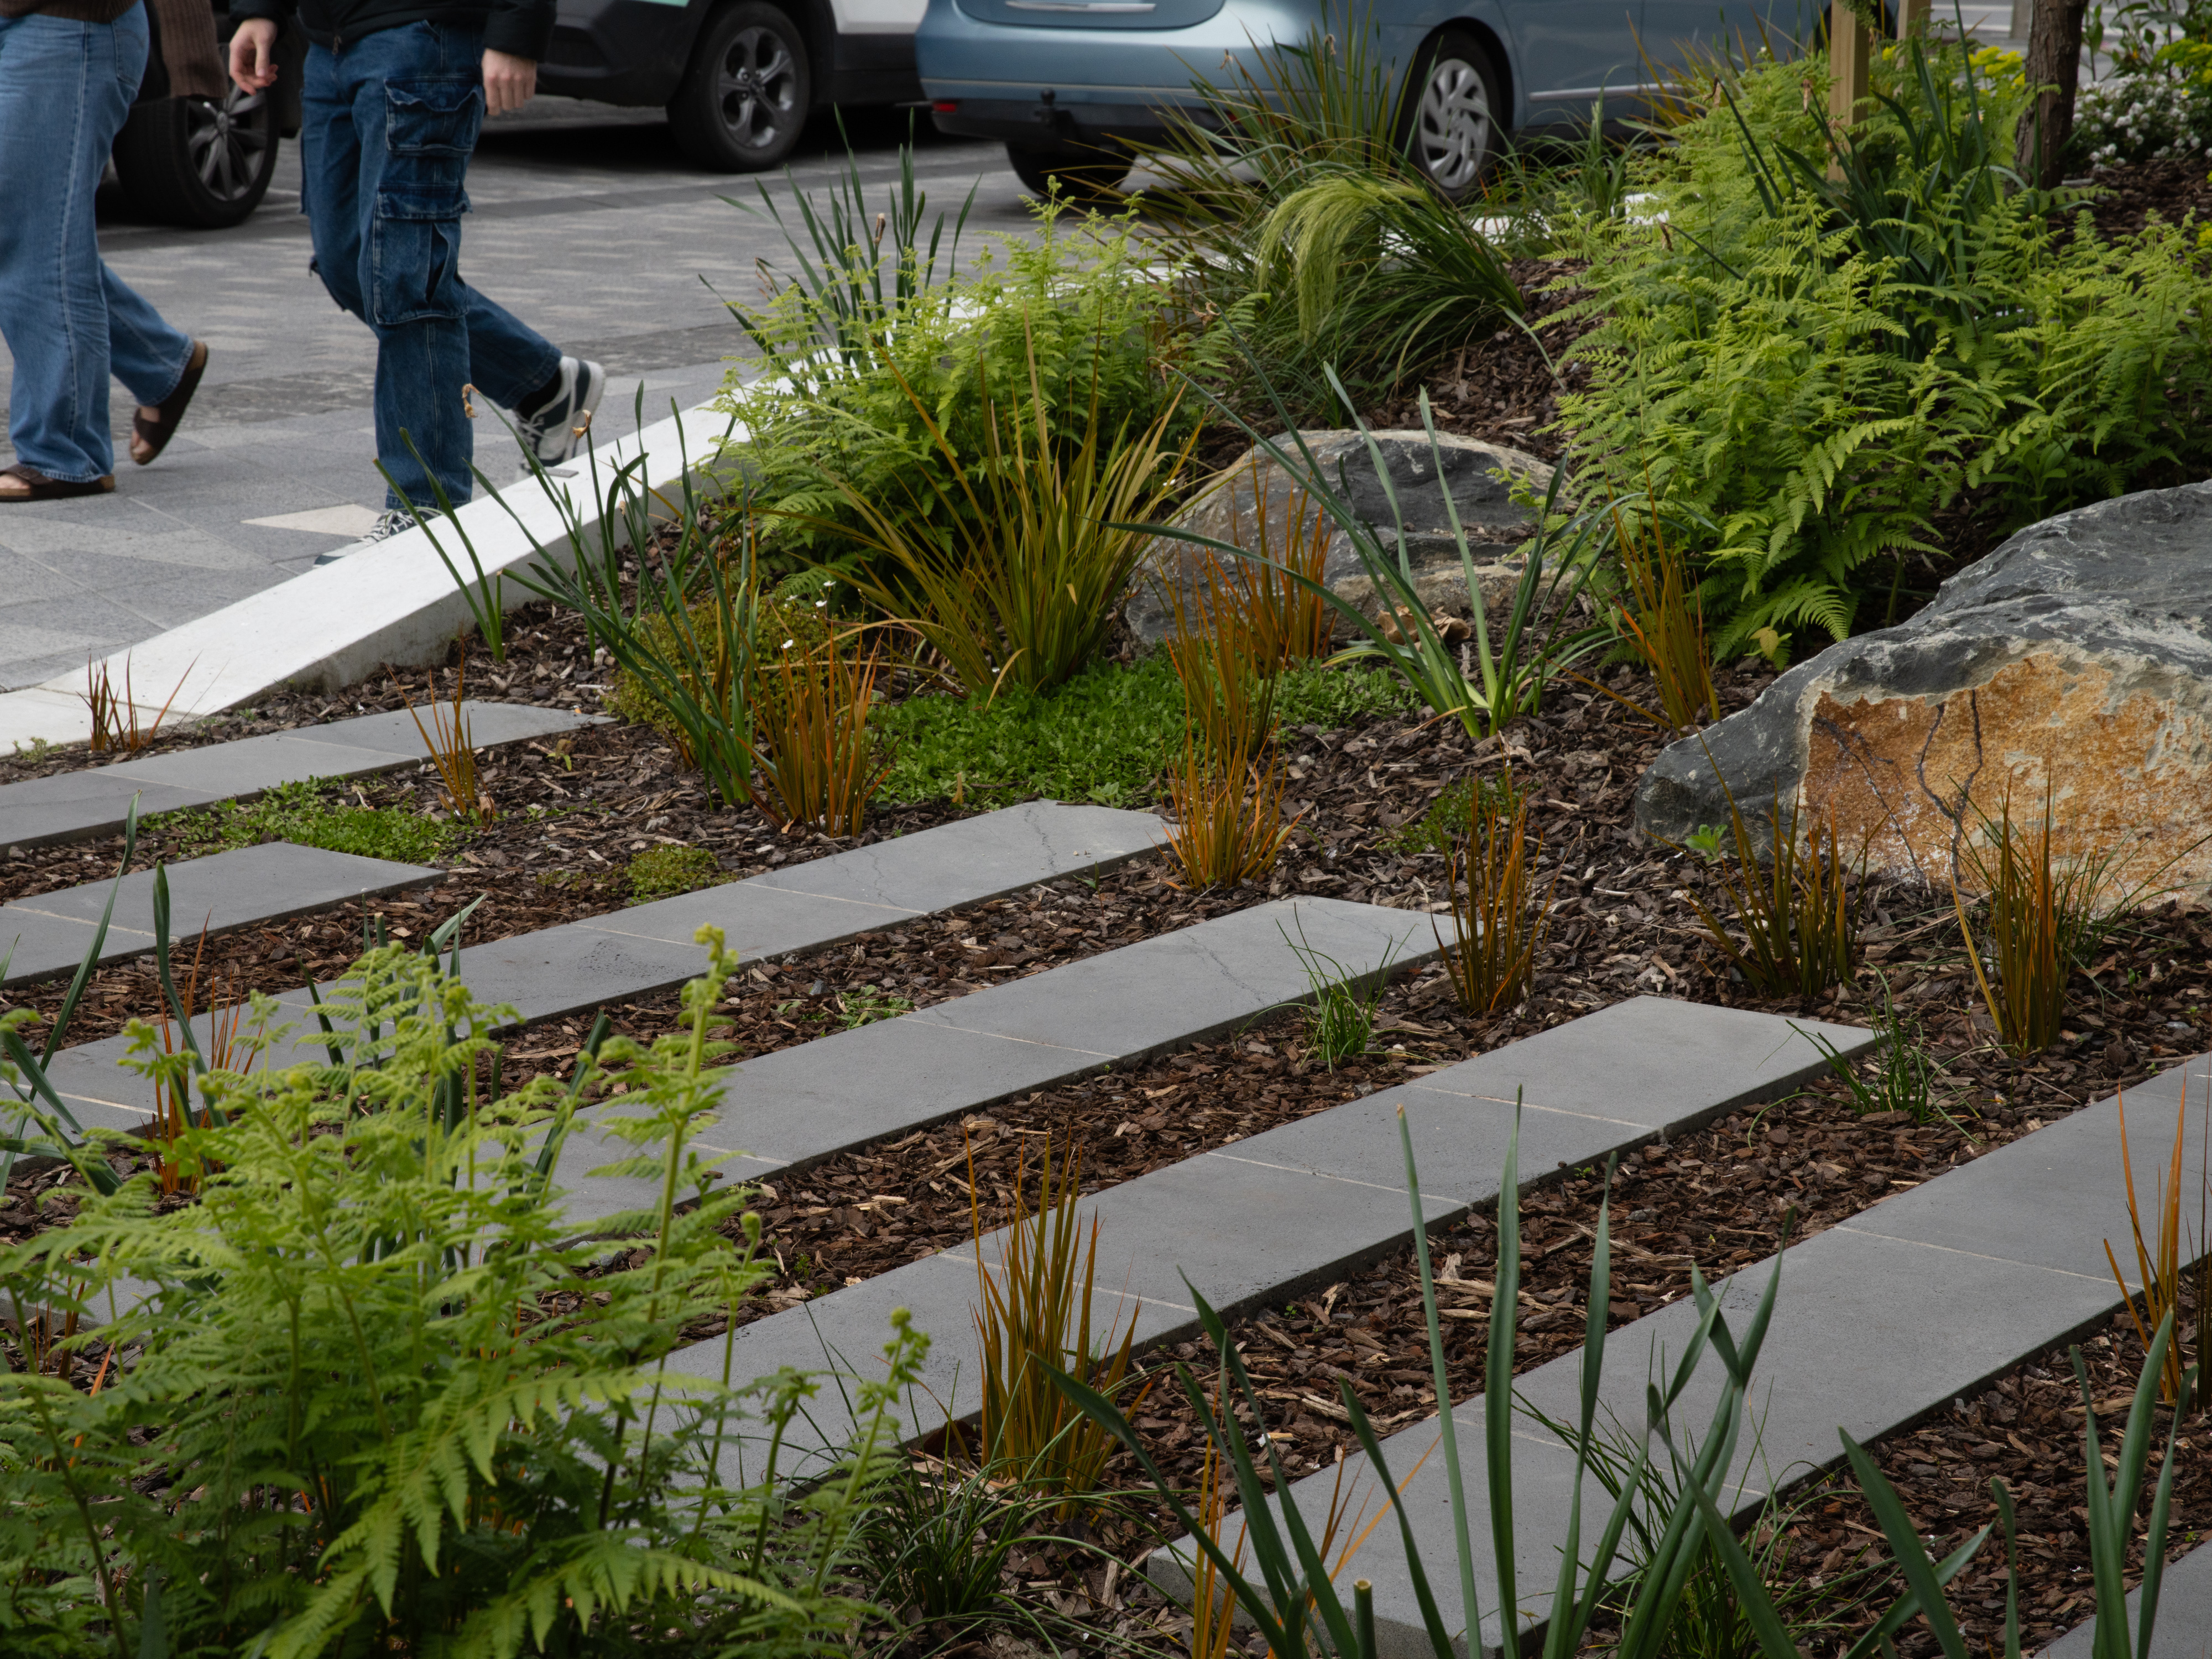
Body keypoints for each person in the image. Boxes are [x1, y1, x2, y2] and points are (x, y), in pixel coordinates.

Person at [227, 0, 603, 561]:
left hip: (421, 35)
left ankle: (428, 509)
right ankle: (545, 385)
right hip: (329, 42)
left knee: (405, 274)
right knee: (350, 264)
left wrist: (517, 28)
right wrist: (261, 9)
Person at [0, 0, 208, 502]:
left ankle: (67, 452)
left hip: (70, 21)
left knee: (35, 235)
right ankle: (162, 363)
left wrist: (193, 51)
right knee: (38, 235)